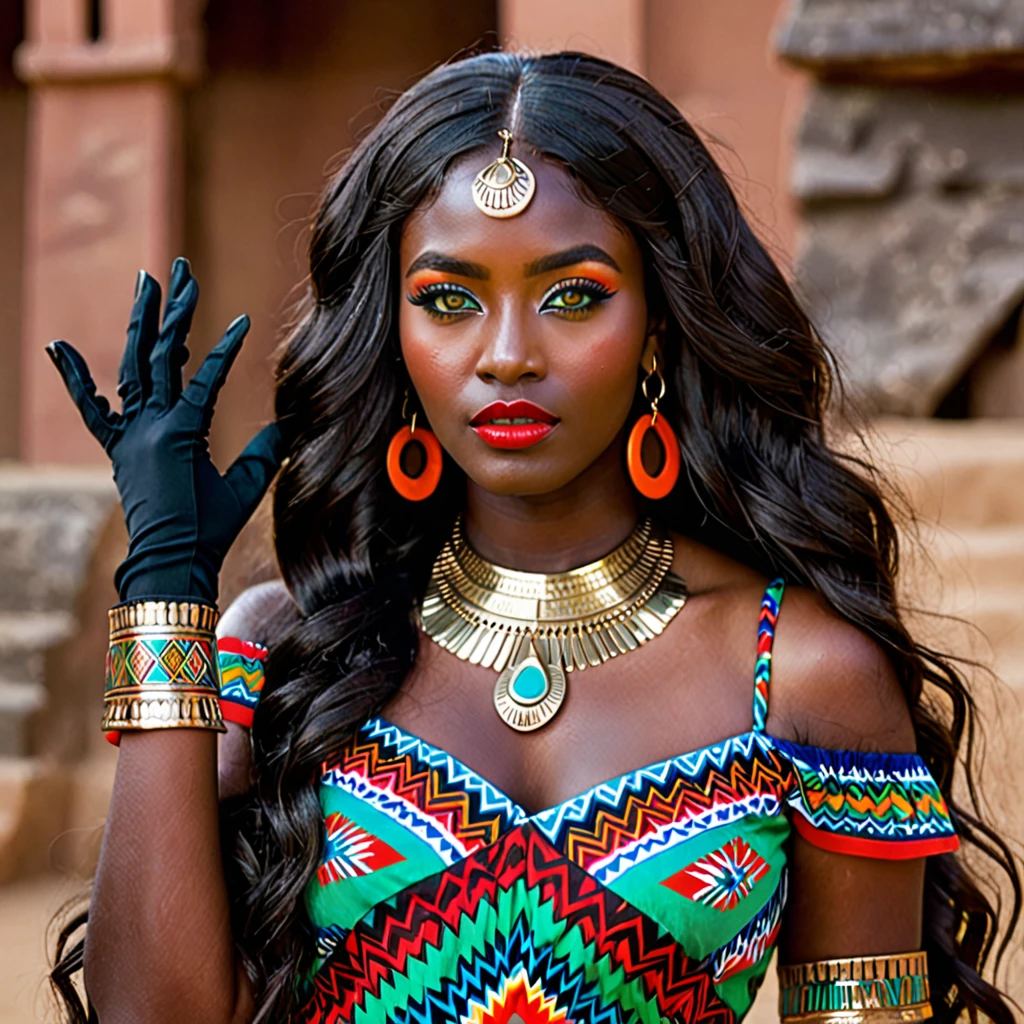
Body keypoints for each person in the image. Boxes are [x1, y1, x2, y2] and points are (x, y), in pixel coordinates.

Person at [46, 51, 1019, 1024]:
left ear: (657, 327)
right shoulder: (283, 648)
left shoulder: (802, 672)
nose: (506, 352)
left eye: (572, 295)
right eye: (448, 299)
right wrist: (163, 593)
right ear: (392, 330)